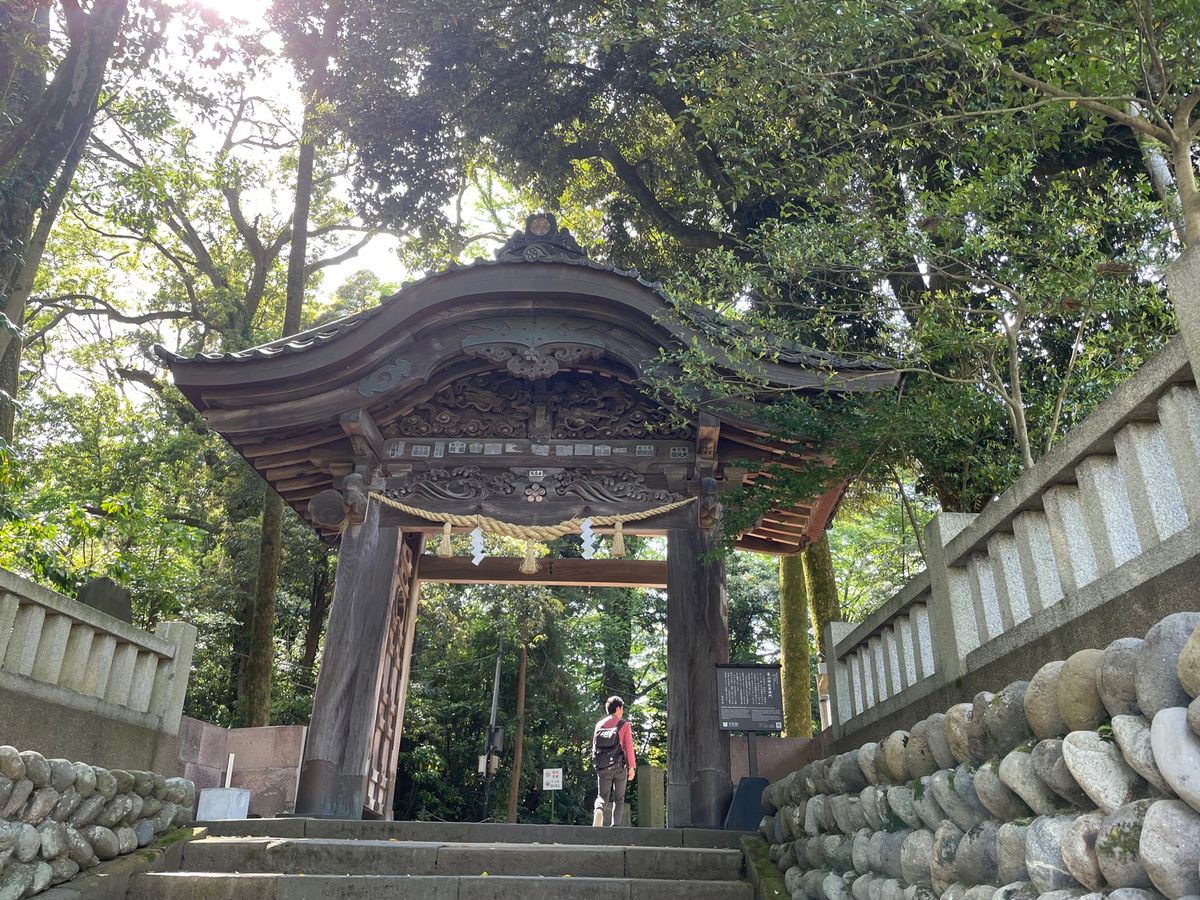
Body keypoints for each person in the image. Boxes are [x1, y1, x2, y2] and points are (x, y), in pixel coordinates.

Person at [591, 695, 635, 827]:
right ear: (618, 708)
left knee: (602, 796)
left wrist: (596, 765)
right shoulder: (624, 724)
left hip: (603, 766)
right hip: (619, 767)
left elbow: (594, 746)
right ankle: (615, 826)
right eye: (622, 709)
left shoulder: (599, 725)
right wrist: (631, 767)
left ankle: (599, 810)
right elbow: (628, 747)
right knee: (619, 798)